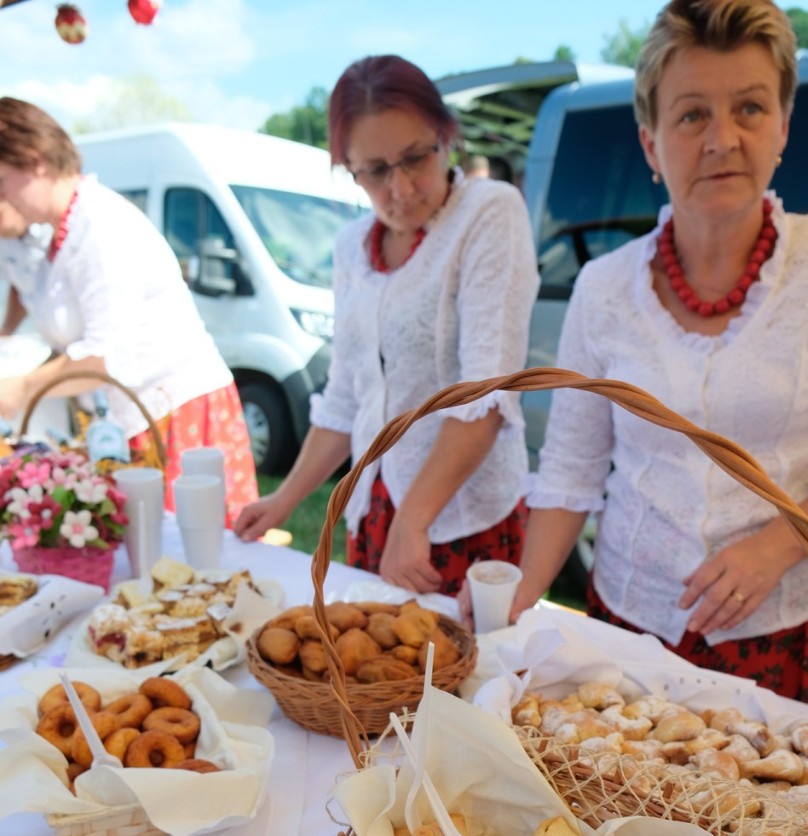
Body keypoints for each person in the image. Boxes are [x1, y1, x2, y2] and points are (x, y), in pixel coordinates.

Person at [513, 0, 808, 713]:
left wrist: (776, 546)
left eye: (750, 109)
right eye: (692, 114)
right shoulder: (603, 289)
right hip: (633, 633)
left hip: (792, 634)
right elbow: (571, 472)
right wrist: (514, 606)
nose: (722, 139)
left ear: (784, 127)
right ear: (650, 144)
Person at [235, 55, 539, 597]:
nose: (400, 189)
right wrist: (284, 500)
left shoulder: (488, 213)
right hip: (377, 508)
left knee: (459, 674)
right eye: (374, 170)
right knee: (372, 671)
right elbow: (348, 397)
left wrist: (415, 520)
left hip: (459, 515)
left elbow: (485, 394)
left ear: (447, 138)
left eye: (416, 158)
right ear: (348, 167)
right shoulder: (352, 246)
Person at [0, 98, 259, 524]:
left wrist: (23, 388)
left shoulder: (100, 225)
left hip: (175, 419)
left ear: (35, 162)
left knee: (196, 566)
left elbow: (106, 358)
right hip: (133, 422)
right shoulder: (63, 235)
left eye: (1, 181)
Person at [0, 199, 51, 337]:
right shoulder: (5, 242)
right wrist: (6, 333)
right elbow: (19, 286)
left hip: (84, 339)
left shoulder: (50, 230)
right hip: (51, 339)